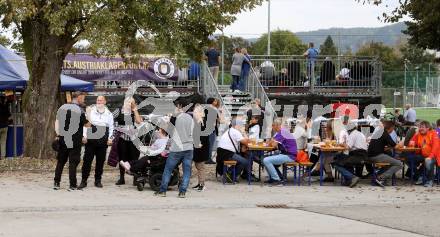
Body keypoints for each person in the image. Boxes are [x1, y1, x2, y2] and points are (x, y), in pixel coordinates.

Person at [155, 98, 194, 198]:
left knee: (168, 169)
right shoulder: (191, 117)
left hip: (176, 148)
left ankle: (163, 190)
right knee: (187, 171)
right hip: (189, 147)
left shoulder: (175, 117)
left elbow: (169, 132)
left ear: (180, 106)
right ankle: (182, 192)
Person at [78, 96, 114, 189]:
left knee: (100, 161)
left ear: (105, 102)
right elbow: (86, 125)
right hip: (91, 137)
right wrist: (84, 136)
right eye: (98, 100)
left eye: (101, 100)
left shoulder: (109, 114)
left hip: (103, 138)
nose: (99, 101)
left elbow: (111, 127)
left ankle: (98, 181)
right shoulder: (90, 111)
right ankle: (83, 181)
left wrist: (110, 138)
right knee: (87, 161)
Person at [54, 92, 87, 190]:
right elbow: (87, 124)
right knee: (73, 162)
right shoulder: (79, 111)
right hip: (75, 140)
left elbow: (58, 122)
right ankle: (72, 184)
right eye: (83, 98)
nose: (83, 100)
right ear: (79, 98)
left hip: (63, 138)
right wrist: (88, 113)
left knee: (60, 162)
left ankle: (56, 183)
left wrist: (58, 135)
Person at [115, 97, 143, 185]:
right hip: (122, 138)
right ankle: (122, 178)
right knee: (122, 159)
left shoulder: (134, 112)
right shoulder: (118, 111)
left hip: (133, 139)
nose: (129, 104)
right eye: (128, 102)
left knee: (134, 158)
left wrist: (135, 109)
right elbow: (109, 118)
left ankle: (135, 179)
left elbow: (139, 121)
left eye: (131, 103)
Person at [367, 121, 403, 187]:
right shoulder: (385, 133)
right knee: (399, 164)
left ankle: (377, 176)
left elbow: (384, 146)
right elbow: (396, 147)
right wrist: (401, 143)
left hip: (370, 155)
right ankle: (380, 178)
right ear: (391, 128)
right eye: (393, 129)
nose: (393, 130)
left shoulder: (379, 132)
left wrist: (391, 147)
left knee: (390, 164)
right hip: (377, 156)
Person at [333, 122, 368, 188]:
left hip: (358, 155)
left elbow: (347, 147)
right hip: (363, 155)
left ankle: (352, 177)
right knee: (342, 158)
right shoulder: (360, 134)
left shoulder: (352, 134)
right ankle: (348, 180)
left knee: (336, 163)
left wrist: (341, 144)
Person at [263, 118, 297, 186]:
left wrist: (271, 140)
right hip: (286, 154)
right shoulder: (280, 132)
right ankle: (279, 177)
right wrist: (271, 140)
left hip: (289, 156)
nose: (272, 127)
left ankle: (277, 180)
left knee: (266, 160)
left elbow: (273, 144)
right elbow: (270, 142)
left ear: (277, 125)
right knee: (265, 159)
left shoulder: (282, 132)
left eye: (273, 125)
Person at [408, 120, 439, 186]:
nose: (420, 129)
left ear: (428, 128)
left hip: (435, 155)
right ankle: (420, 176)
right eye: (420, 127)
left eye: (422, 127)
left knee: (428, 161)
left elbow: (436, 147)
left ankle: (430, 180)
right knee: (409, 158)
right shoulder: (418, 134)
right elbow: (411, 144)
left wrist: (430, 157)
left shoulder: (433, 134)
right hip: (423, 155)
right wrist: (415, 135)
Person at [192, 104, 209, 191]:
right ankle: (199, 183)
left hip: (201, 148)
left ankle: (202, 184)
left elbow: (203, 136)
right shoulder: (198, 121)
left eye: (195, 112)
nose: (193, 113)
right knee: (198, 166)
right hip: (198, 147)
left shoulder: (202, 122)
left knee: (201, 166)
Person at [205, 97, 222, 164]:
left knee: (207, 144)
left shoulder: (205, 108)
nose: (216, 102)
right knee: (210, 144)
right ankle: (208, 159)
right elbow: (218, 119)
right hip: (212, 128)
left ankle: (206, 157)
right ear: (212, 102)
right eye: (215, 101)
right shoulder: (214, 109)